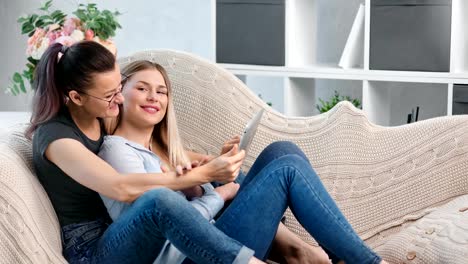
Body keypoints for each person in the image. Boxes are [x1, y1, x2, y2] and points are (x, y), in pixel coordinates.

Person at [28, 41, 312, 264]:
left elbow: (153, 148)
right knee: (160, 199)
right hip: (94, 250)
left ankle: (298, 249)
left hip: (125, 230)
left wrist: (210, 162)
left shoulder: (99, 113)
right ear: (75, 97)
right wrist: (200, 177)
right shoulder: (57, 139)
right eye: (110, 94)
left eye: (119, 88)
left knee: (276, 158)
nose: (119, 99)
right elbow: (121, 187)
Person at [96, 59, 388, 264]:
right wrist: (221, 193)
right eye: (142, 88)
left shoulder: (164, 153)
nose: (154, 98)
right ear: (120, 93)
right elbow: (164, 230)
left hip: (213, 236)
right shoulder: (117, 150)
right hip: (194, 256)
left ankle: (336, 258)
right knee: (285, 169)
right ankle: (366, 262)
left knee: (281, 151)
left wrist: (207, 185)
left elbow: (199, 209)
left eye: (162, 92)